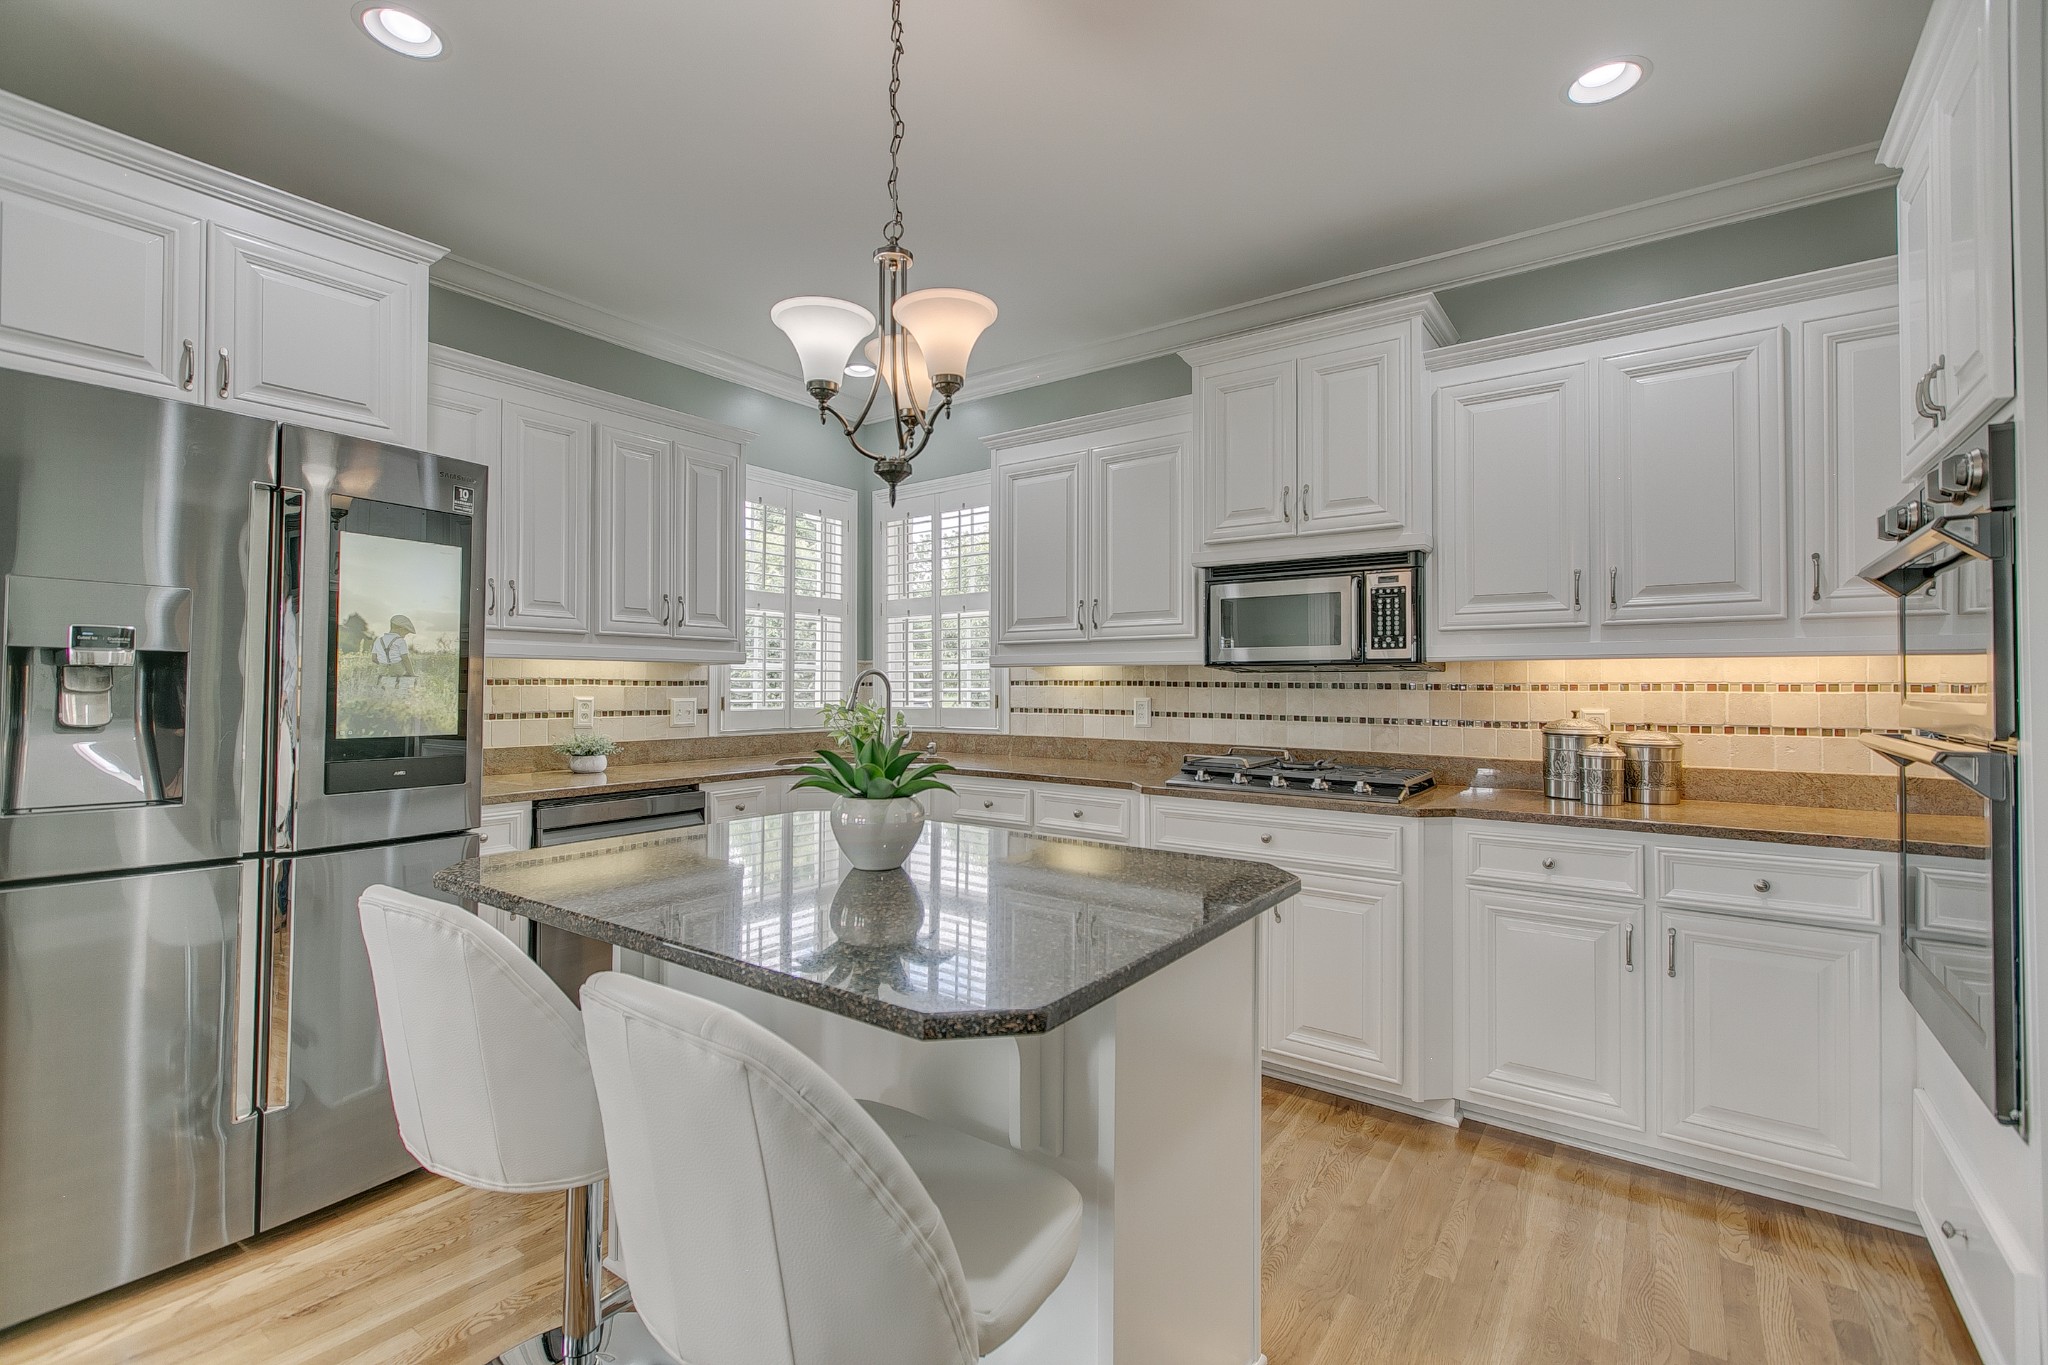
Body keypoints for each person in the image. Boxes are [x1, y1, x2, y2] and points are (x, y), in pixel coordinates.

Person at [372, 615, 417, 691]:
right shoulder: (400, 641)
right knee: (402, 684)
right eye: (405, 633)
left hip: (382, 669)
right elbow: (405, 659)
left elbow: (374, 658)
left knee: (382, 686)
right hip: (397, 669)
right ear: (401, 629)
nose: (405, 636)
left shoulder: (378, 640)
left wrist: (384, 663)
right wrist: (412, 674)